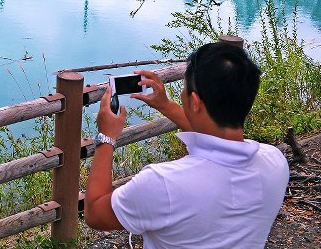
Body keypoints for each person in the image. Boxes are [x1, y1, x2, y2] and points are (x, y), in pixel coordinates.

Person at [85, 41, 289, 248]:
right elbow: (214, 140)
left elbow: (95, 213)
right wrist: (165, 105)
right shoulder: (275, 162)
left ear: (195, 102)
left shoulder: (163, 183)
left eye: (184, 89)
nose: (181, 95)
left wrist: (106, 137)